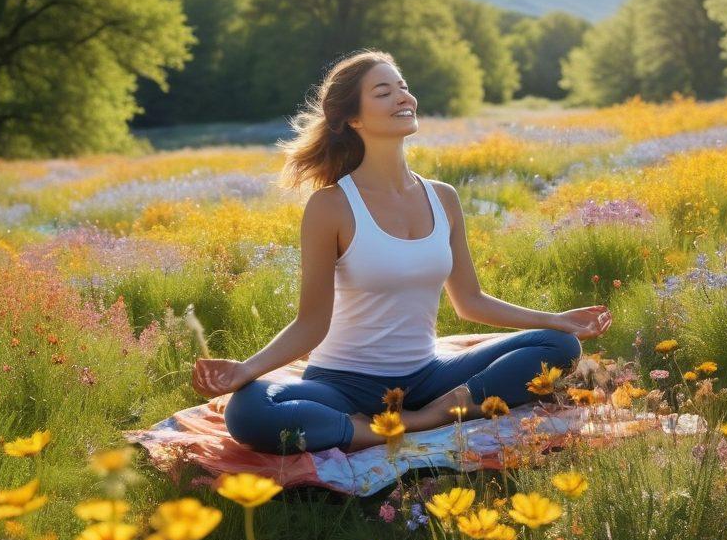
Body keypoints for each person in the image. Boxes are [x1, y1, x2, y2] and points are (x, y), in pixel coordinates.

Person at [191, 49, 612, 455]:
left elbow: (470, 302)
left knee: (560, 347)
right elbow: (310, 324)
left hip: (429, 377)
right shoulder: (331, 205)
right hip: (342, 385)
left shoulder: (442, 198)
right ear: (353, 118)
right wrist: (247, 370)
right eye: (383, 91)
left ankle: (435, 413)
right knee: (249, 411)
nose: (403, 97)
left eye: (403, 86)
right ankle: (378, 427)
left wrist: (555, 320)